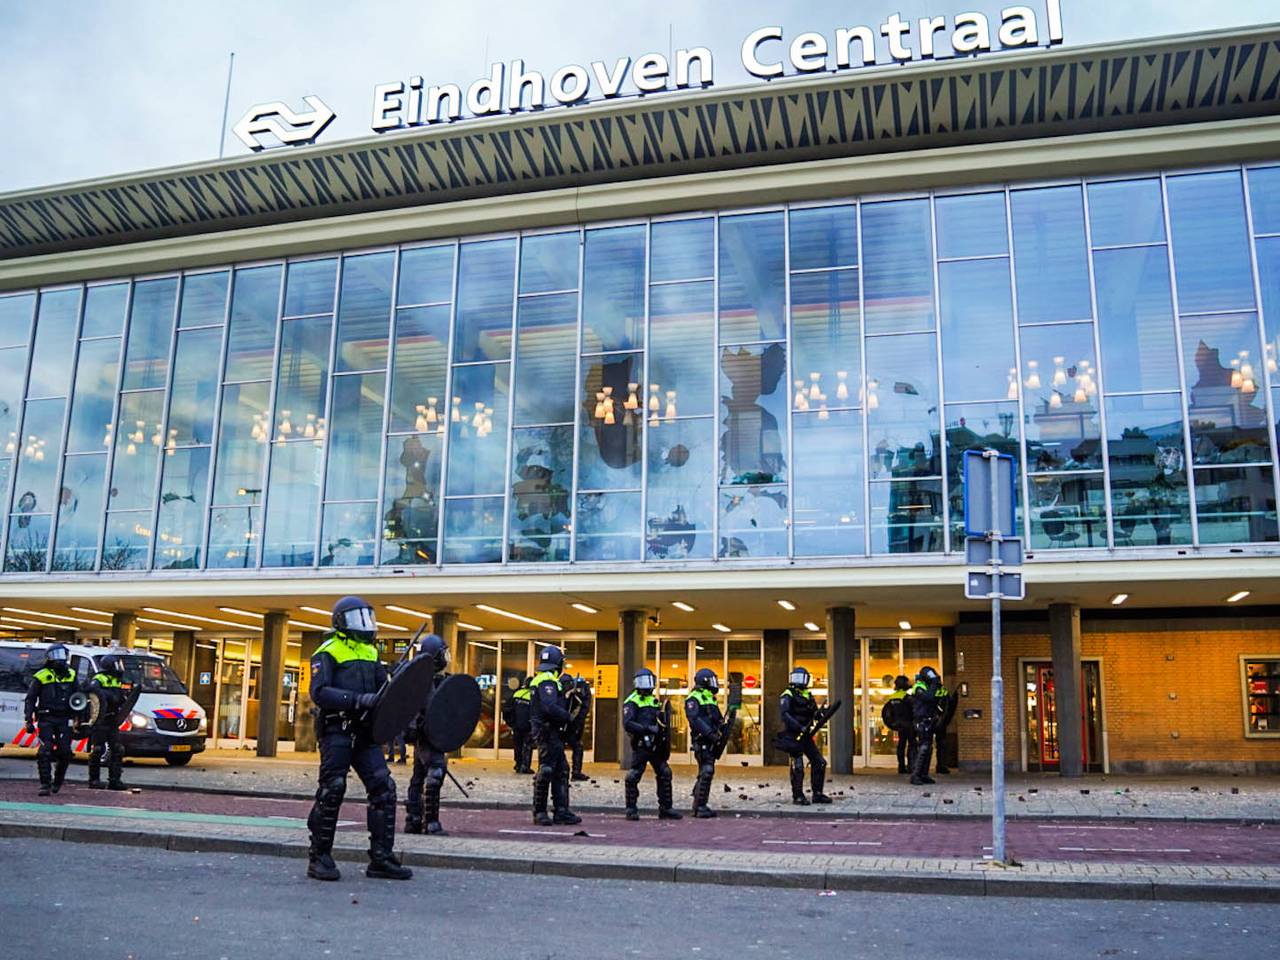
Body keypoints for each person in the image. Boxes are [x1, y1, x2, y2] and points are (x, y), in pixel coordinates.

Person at [306, 596, 412, 882]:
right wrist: (356, 700)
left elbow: (383, 691)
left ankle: (381, 858)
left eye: (367, 617)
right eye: (357, 618)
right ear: (340, 621)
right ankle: (319, 857)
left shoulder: (370, 652)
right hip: (336, 729)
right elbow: (319, 692)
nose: (364, 624)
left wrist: (398, 681)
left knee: (384, 787)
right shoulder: (327, 650)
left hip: (365, 734)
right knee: (333, 789)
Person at [405, 634, 451, 836]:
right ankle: (430, 822)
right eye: (444, 653)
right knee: (435, 772)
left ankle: (413, 819)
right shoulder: (423, 681)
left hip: (425, 736)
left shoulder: (428, 679)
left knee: (418, 776)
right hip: (428, 736)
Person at [529, 645, 580, 826]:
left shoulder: (542, 679)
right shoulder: (547, 680)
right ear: (558, 664)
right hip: (546, 730)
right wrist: (567, 716)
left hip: (548, 731)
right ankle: (540, 812)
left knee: (561, 770)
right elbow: (549, 706)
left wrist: (568, 697)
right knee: (547, 769)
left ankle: (561, 811)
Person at [621, 668, 681, 821]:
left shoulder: (654, 701)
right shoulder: (632, 701)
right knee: (634, 775)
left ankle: (666, 808)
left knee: (665, 773)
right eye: (642, 681)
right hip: (641, 744)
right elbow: (627, 724)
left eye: (648, 681)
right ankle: (631, 809)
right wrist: (646, 729)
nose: (646, 685)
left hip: (656, 745)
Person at [24, 643, 80, 796]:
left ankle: (58, 782)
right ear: (48, 658)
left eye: (61, 655)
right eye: (55, 656)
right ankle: (45, 784)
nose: (59, 659)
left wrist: (79, 719)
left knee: (65, 752)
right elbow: (30, 699)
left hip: (65, 718)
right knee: (45, 751)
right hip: (46, 718)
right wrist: (28, 719)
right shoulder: (41, 676)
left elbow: (78, 698)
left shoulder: (72, 675)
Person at [776, 666, 831, 805]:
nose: (799, 681)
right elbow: (785, 715)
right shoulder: (787, 694)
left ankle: (817, 793)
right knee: (798, 766)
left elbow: (815, 714)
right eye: (796, 677)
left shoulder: (808, 695)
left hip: (806, 735)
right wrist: (798, 726)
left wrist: (823, 713)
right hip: (793, 735)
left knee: (819, 762)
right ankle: (798, 795)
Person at [87, 652, 135, 791]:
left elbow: (119, 697)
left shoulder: (116, 680)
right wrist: (109, 696)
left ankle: (115, 780)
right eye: (116, 664)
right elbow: (93, 693)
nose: (119, 667)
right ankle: (94, 780)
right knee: (97, 750)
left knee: (117, 749)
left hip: (113, 720)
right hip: (101, 720)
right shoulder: (99, 678)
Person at [685, 667, 725, 818]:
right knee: (707, 771)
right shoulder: (694, 698)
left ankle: (699, 802)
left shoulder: (709, 697)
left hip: (711, 740)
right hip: (702, 740)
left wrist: (722, 727)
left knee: (705, 771)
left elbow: (716, 718)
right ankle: (700, 806)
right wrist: (709, 733)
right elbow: (694, 719)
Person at [909, 666, 942, 786]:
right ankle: (915, 775)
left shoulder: (927, 687)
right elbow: (929, 697)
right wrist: (934, 683)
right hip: (921, 721)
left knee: (928, 748)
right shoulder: (919, 687)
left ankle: (924, 774)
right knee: (923, 748)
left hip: (928, 720)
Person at [882, 675, 915, 775]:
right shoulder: (907, 697)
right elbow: (914, 710)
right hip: (909, 724)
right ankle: (911, 766)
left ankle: (901, 766)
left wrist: (892, 724)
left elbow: (887, 713)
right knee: (912, 745)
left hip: (899, 725)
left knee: (901, 745)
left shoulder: (892, 698)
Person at [567, 675, 592, 782]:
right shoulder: (584, 691)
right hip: (574, 723)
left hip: (563, 722)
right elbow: (585, 708)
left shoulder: (566, 688)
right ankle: (576, 772)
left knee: (556, 747)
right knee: (577, 746)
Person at [508, 675, 534, 774]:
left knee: (518, 745)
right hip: (528, 726)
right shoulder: (533, 696)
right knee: (527, 746)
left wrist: (511, 723)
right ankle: (525, 766)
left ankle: (518, 764)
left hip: (517, 725)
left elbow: (507, 709)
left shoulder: (517, 694)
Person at [933, 678, 958, 775]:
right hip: (940, 722)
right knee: (941, 745)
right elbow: (949, 706)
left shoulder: (929, 690)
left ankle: (923, 768)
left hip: (930, 720)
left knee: (927, 745)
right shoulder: (943, 691)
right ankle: (941, 766)